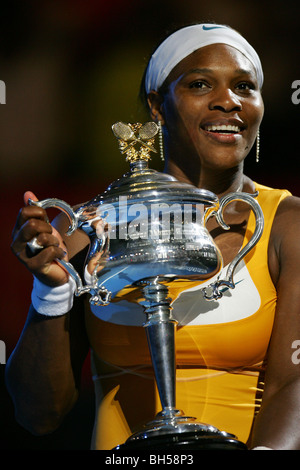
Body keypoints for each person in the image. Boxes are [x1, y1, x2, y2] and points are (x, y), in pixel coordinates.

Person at [6, 22, 300, 450]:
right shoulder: (88, 229)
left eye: (244, 86)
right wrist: (49, 294)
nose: (228, 101)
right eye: (201, 84)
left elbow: (293, 383)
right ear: (157, 106)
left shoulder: (288, 224)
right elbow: (38, 414)